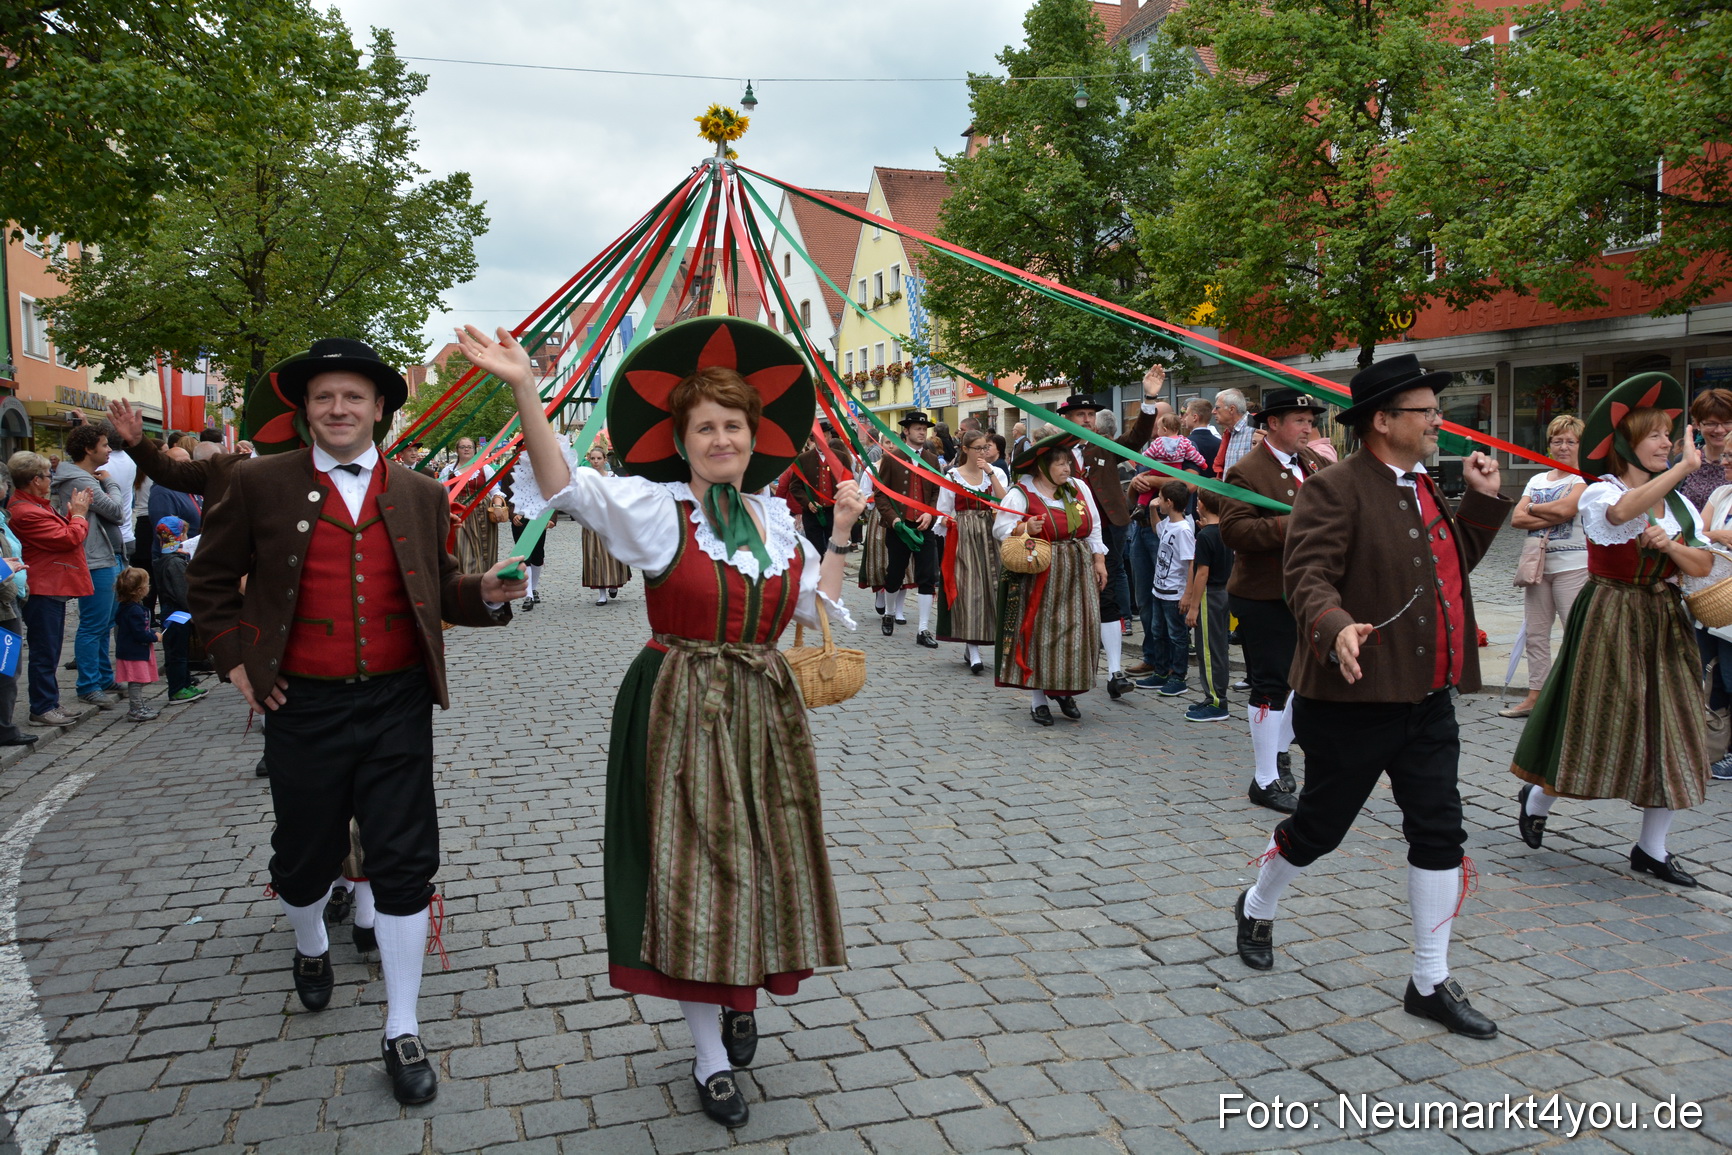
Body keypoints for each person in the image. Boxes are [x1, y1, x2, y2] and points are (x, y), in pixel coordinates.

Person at [463, 315, 860, 1131]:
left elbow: (814, 603)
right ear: (681, 440)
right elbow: (566, 483)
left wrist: (845, 532)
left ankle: (739, 984)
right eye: (704, 426)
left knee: (761, 857)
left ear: (756, 437)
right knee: (692, 867)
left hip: (763, 710)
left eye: (733, 425)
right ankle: (709, 1052)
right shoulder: (658, 509)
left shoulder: (777, 518)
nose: (721, 438)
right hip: (680, 703)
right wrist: (527, 392)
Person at [188, 337, 522, 1106]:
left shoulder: (419, 491)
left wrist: (488, 595)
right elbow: (206, 579)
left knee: (403, 861)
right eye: (325, 397)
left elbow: (438, 589)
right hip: (300, 702)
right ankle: (310, 943)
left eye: (355, 397)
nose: (339, 409)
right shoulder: (257, 482)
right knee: (304, 853)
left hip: (397, 702)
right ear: (306, 409)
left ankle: (401, 1025)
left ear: (380, 410)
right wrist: (239, 662)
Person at [1234, 354, 1511, 1041]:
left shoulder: (1425, 484)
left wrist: (1479, 501)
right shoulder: (1333, 488)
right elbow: (1306, 576)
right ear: (1384, 421)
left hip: (1426, 697)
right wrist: (1334, 627)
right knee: (1318, 830)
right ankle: (1257, 900)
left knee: (1440, 830)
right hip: (1351, 700)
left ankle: (1429, 979)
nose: (1439, 421)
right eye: (1426, 411)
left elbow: (1445, 568)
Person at [1512, 373, 1715, 887]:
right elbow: (1623, 512)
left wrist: (1670, 547)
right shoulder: (1599, 492)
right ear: (1627, 442)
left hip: (1664, 619)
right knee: (1595, 715)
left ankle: (1651, 847)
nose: (1667, 444)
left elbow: (1700, 566)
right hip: (1611, 614)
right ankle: (1538, 798)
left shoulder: (1679, 505)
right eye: (1656, 436)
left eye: (1671, 437)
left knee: (1673, 726)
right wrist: (1685, 469)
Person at [1219, 388, 1331, 813]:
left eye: (1310, 421)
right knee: (1271, 684)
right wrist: (1293, 524)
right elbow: (1235, 532)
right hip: (1264, 594)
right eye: (1299, 421)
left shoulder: (1314, 463)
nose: (1308, 427)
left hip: (1310, 590)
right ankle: (1264, 779)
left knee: (1302, 683)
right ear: (1273, 425)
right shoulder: (1247, 471)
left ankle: (1280, 752)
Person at [993, 432, 1109, 726]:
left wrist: (1099, 560)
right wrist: (1025, 527)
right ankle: (1038, 699)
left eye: (1067, 462)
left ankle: (1063, 689)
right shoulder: (1021, 492)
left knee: (1077, 631)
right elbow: (1000, 529)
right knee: (1043, 630)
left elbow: (1093, 528)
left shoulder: (1078, 487)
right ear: (1042, 467)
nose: (1066, 469)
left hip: (1078, 568)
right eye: (1058, 464)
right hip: (1042, 569)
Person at [1059, 369, 1163, 699]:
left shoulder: (1104, 447)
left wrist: (1148, 399)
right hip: (1070, 533)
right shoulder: (1054, 455)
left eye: (1091, 414)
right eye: (1081, 414)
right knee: (1070, 595)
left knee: (1110, 591)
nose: (1087, 420)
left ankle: (1115, 671)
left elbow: (1136, 440)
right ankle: (1067, 667)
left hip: (1110, 528)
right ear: (1068, 418)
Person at [1500, 415, 1588, 719]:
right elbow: (1516, 518)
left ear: (1580, 445)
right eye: (1557, 440)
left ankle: (1577, 698)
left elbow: (1568, 509)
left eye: (1570, 441)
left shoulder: (1584, 479)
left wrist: (1534, 508)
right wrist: (1547, 512)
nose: (1563, 447)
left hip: (1574, 567)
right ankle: (1535, 696)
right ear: (1549, 445)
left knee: (1575, 633)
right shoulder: (1537, 480)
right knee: (1536, 635)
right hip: (1538, 567)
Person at [9, 452, 92, 727]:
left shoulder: (35, 505)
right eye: (48, 476)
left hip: (51, 586)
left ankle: (50, 702)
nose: (50, 480)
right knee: (44, 651)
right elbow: (69, 538)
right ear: (35, 480)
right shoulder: (26, 511)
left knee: (52, 649)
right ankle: (42, 707)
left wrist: (73, 515)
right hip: (44, 588)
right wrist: (78, 515)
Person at [52, 423, 128, 712]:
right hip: (94, 560)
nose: (109, 450)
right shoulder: (81, 481)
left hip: (104, 556)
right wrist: (110, 483)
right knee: (93, 625)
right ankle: (88, 686)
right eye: (105, 445)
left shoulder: (82, 477)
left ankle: (104, 679)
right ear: (88, 449)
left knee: (105, 623)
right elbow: (117, 512)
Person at [935, 429, 1008, 674]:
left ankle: (979, 646)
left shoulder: (994, 472)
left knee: (992, 590)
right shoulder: (952, 476)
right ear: (965, 449)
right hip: (964, 536)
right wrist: (946, 522)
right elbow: (943, 510)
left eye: (985, 447)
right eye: (978, 448)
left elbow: (1005, 502)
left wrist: (990, 471)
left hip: (990, 534)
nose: (983, 452)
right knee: (971, 591)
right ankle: (973, 650)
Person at [877, 411, 944, 644]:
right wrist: (894, 520)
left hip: (924, 525)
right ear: (906, 431)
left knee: (928, 576)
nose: (922, 432)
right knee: (895, 573)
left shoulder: (932, 459)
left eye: (924, 429)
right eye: (917, 428)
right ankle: (888, 613)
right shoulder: (892, 457)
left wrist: (930, 513)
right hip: (900, 527)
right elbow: (880, 494)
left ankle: (923, 629)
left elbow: (937, 492)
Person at [1182, 489, 1232, 722]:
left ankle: (1216, 701)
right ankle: (1212, 694)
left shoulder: (1205, 536)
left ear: (1201, 505)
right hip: (1225, 593)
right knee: (1218, 646)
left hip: (1209, 595)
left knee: (1208, 650)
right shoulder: (1227, 532)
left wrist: (1193, 606)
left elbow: (1202, 573)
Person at [1145, 480, 1195, 695]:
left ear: (1170, 502)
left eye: (1161, 498)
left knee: (1177, 635)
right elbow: (1157, 529)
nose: (1158, 500)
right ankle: (1161, 671)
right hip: (1159, 590)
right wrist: (1152, 510)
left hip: (1174, 593)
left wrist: (1188, 594)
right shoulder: (1169, 524)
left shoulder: (1183, 529)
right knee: (1158, 632)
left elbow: (1192, 561)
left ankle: (1178, 676)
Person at [152, 515, 205, 705]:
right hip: (176, 613)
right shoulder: (173, 563)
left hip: (178, 611)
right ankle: (176, 689)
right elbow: (181, 592)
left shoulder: (170, 558)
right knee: (176, 654)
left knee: (182, 651)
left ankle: (185, 682)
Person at [0, 475, 37, 747]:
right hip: (3, 608)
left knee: (7, 668)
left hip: (9, 602)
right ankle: (4, 728)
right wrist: (5, 569)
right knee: (6, 668)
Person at [580, 444, 633, 604]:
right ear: (589, 460)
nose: (596, 461)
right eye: (593, 459)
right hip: (591, 522)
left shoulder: (612, 478)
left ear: (604, 460)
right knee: (594, 555)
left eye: (599, 458)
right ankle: (601, 593)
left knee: (611, 554)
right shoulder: (585, 478)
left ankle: (613, 583)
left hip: (610, 521)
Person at [444, 437, 503, 578]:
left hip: (483, 515)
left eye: (469, 447)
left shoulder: (484, 468)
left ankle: (486, 584)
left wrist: (497, 506)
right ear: (457, 450)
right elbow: (444, 496)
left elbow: (495, 491)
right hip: (460, 516)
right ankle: (466, 585)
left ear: (474, 450)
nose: (466, 449)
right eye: (462, 447)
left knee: (486, 551)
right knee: (463, 552)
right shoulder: (448, 471)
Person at [112, 566, 160, 722]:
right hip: (134, 652)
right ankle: (136, 709)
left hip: (133, 650)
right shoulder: (134, 611)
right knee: (136, 682)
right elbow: (140, 633)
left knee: (138, 681)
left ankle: (139, 706)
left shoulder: (128, 608)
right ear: (139, 590)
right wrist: (154, 636)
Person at [498, 471, 550, 611]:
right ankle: (529, 596)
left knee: (538, 554)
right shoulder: (510, 472)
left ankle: (533, 588)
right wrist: (513, 514)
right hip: (519, 519)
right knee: (524, 554)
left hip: (540, 516)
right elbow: (507, 497)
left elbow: (553, 494)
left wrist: (551, 518)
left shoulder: (543, 467)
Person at [1680, 388, 1732, 509]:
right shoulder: (1686, 459)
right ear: (1697, 424)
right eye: (1711, 423)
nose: (1719, 430)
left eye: (1727, 422)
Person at [1210, 388, 1255, 475]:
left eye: (1217, 408)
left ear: (1231, 409)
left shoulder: (1256, 427)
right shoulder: (1230, 432)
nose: (1213, 412)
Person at [1182, 398, 1220, 476]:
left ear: (1195, 417)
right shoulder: (1220, 443)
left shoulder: (1185, 443)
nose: (1185, 418)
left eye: (1187, 415)